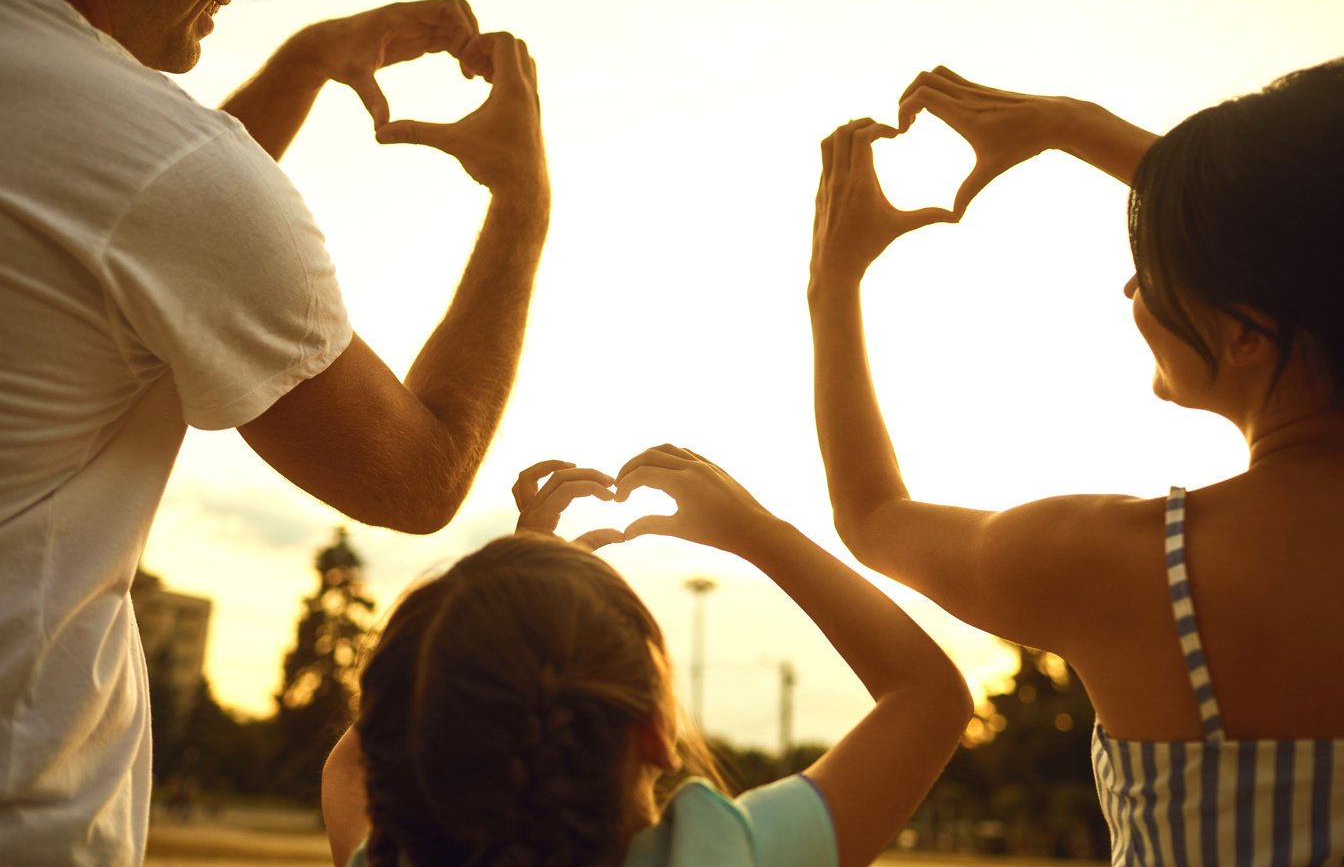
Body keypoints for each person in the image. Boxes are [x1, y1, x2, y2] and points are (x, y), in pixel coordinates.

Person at [0, 0, 549, 862]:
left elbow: (139, 226)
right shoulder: (163, 168)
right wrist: (522, 206)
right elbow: (419, 477)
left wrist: (304, 64)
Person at [808, 61, 1344, 863]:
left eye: (1160, 264)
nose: (1132, 285)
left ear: (1245, 336)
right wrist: (1074, 125)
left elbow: (872, 516)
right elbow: (1304, 229)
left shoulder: (1133, 566)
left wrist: (832, 284)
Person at [321, 449, 972, 867]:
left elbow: (350, 767)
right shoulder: (721, 859)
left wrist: (499, 594)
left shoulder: (387, 858)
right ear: (656, 733)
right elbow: (930, 695)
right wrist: (757, 532)